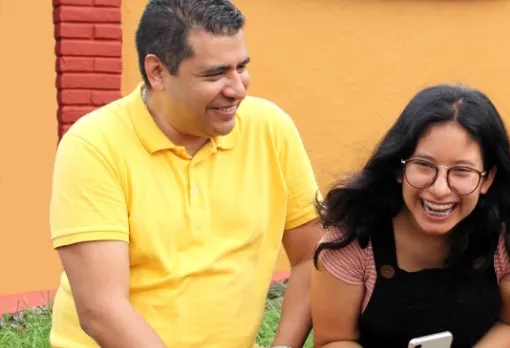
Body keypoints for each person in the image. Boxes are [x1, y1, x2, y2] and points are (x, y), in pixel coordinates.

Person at [48, 0, 322, 347]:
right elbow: (102, 310)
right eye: (215, 73)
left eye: (241, 67)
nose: (237, 88)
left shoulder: (269, 129)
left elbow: (313, 254)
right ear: (157, 72)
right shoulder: (94, 144)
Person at [309, 84, 510, 348]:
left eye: (461, 171)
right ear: (399, 169)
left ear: (487, 179)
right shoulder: (352, 237)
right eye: (424, 165)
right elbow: (334, 340)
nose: (439, 190)